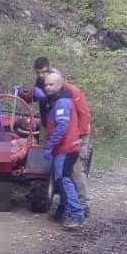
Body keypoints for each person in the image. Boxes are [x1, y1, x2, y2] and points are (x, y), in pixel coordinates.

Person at [20, 57, 92, 215]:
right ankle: (50, 195)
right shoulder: (42, 86)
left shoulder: (71, 91)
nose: (41, 76)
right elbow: (34, 96)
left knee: (74, 167)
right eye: (38, 73)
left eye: (43, 72)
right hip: (50, 127)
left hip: (75, 131)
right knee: (46, 163)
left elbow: (84, 115)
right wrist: (24, 94)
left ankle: (82, 203)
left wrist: (79, 136)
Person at [37, 69, 84, 229]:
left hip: (67, 148)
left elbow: (61, 127)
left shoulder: (62, 102)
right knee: (62, 179)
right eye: (46, 85)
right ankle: (65, 210)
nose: (47, 87)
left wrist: (49, 145)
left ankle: (76, 214)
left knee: (64, 180)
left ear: (59, 85)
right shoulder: (57, 100)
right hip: (64, 147)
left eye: (51, 85)